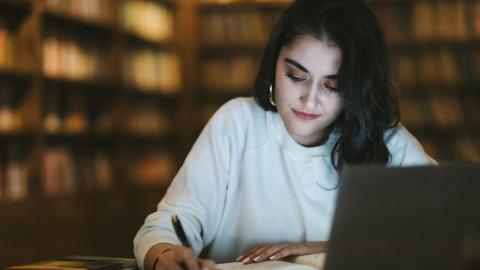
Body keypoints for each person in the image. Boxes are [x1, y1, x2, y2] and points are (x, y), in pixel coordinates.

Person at [134, 0, 436, 269]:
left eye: (333, 86)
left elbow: (446, 237)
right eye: (295, 76)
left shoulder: (388, 143)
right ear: (274, 64)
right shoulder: (238, 123)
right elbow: (165, 226)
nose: (309, 99)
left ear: (357, 87)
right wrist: (163, 255)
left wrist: (321, 250)